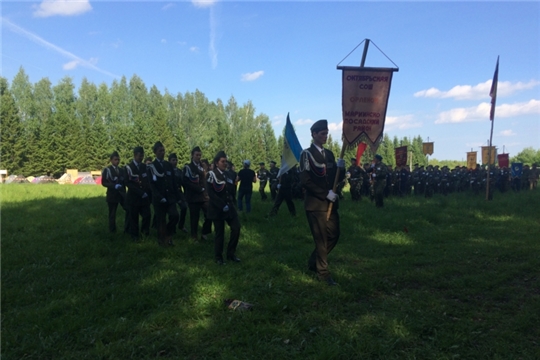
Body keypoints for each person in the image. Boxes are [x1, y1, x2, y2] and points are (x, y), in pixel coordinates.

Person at [299, 119, 345, 286]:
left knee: (334, 234)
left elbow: (335, 178)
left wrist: (342, 168)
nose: (325, 136)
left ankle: (313, 262)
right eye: (322, 133)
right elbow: (305, 180)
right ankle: (323, 274)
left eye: (326, 133)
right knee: (321, 239)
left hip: (331, 203)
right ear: (314, 134)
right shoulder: (306, 154)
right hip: (316, 204)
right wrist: (325, 194)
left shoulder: (330, 154)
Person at [206, 151, 241, 265]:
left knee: (236, 228)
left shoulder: (229, 174)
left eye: (226, 161)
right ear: (216, 163)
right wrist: (222, 205)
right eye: (222, 161)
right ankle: (218, 257)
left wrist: (232, 203)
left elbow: (231, 191)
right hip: (217, 208)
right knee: (219, 233)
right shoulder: (211, 175)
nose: (225, 164)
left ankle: (231, 253)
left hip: (229, 206)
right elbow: (211, 193)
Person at [148, 141, 180, 246]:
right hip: (159, 198)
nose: (162, 152)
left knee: (175, 216)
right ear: (155, 152)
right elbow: (151, 184)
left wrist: (178, 196)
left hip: (170, 197)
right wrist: (159, 197)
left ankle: (168, 235)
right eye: (160, 151)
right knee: (161, 220)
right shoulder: (152, 166)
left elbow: (173, 182)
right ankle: (162, 241)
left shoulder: (168, 165)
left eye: (163, 150)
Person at [183, 146, 212, 242]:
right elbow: (186, 182)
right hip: (193, 196)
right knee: (194, 218)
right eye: (196, 155)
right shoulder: (188, 167)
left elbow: (206, 179)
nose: (198, 157)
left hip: (204, 196)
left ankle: (204, 232)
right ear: (192, 155)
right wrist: (198, 189)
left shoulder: (203, 166)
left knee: (209, 214)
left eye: (200, 155)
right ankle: (194, 236)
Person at [125, 146, 151, 240]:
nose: (141, 158)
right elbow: (127, 183)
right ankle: (134, 236)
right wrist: (140, 192)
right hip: (133, 198)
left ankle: (145, 233)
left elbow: (147, 180)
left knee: (147, 216)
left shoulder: (144, 167)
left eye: (142, 155)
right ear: (135, 155)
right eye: (140, 156)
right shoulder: (128, 168)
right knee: (134, 218)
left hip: (144, 198)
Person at [101, 151, 129, 234]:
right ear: (111, 160)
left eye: (118, 159)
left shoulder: (122, 170)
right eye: (115, 159)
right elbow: (104, 182)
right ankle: (112, 231)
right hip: (112, 195)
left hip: (122, 194)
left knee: (129, 210)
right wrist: (113, 186)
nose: (117, 161)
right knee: (112, 214)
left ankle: (127, 229)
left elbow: (124, 181)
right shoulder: (107, 170)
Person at [169, 153, 188, 234]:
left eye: (176, 160)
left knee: (184, 207)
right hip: (170, 193)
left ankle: (181, 225)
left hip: (179, 192)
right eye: (173, 160)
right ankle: (171, 227)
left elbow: (183, 183)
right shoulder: (167, 171)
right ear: (169, 161)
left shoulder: (179, 171)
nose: (175, 162)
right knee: (172, 212)